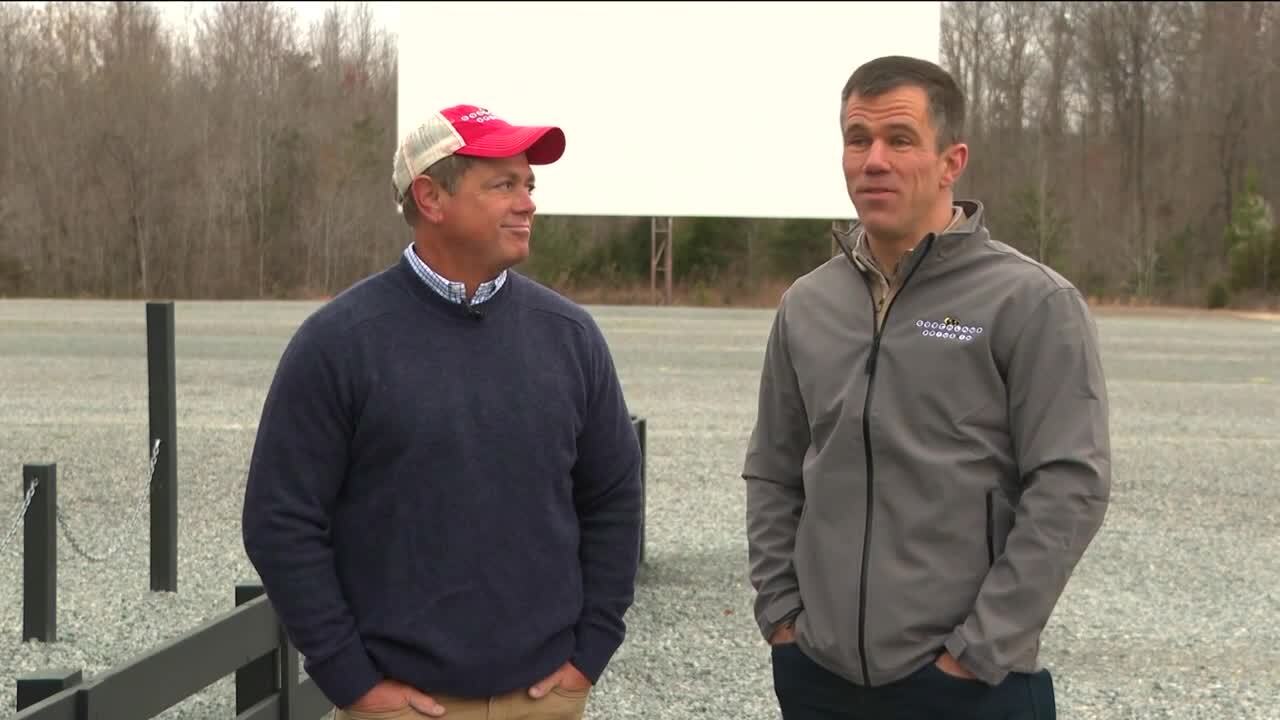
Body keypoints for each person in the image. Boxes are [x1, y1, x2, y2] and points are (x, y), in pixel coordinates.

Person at [242, 104, 645, 720]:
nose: (528, 202)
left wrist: (590, 653)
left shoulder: (571, 337)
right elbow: (280, 520)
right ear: (430, 197)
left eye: (529, 184)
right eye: (503, 184)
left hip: (543, 702)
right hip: (398, 707)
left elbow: (613, 497)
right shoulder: (339, 343)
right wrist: (350, 680)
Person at [742, 55, 1112, 719]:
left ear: (952, 160)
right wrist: (783, 619)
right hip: (820, 678)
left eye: (900, 139)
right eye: (858, 139)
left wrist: (979, 650)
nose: (873, 160)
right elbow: (773, 470)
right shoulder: (808, 305)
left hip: (966, 685)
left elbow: (1070, 486)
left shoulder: (1030, 302)